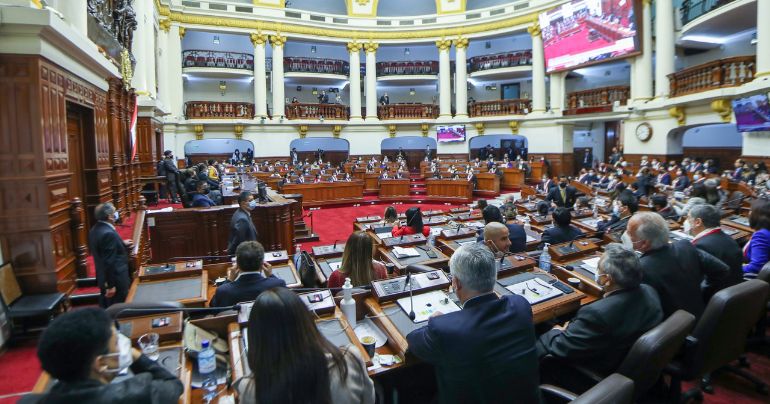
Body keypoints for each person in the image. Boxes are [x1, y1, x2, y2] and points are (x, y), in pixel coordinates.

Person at [406, 243, 541, 404]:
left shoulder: (443, 328)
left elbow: (412, 340)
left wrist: (436, 321)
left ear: (455, 283)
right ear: (494, 275)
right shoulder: (520, 305)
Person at [537, 244, 663, 382]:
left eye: (598, 267)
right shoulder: (649, 290)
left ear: (606, 279)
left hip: (596, 373)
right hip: (625, 358)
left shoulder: (597, 314)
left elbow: (560, 348)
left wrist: (556, 331)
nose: (597, 270)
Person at [235, 288, 374, 404]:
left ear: (257, 339)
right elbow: (369, 400)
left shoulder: (250, 391)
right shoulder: (349, 359)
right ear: (307, 323)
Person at [20, 308, 183, 404]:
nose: (123, 344)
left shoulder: (28, 401)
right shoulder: (138, 395)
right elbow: (174, 384)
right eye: (117, 342)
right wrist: (134, 355)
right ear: (101, 364)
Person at [626, 212, 730, 318]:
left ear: (644, 243)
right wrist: (702, 292)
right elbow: (722, 270)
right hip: (701, 316)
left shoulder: (640, 269)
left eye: (630, 234)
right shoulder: (686, 246)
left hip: (673, 330)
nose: (628, 236)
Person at [211, 241, 285, 307]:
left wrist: (230, 280)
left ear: (237, 264)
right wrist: (271, 276)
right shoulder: (278, 285)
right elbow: (288, 301)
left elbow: (213, 307)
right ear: (262, 263)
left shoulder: (223, 291)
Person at [687, 204, 744, 287]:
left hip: (712, 296)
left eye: (688, 218)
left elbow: (693, 280)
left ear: (698, 222)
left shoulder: (700, 246)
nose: (686, 221)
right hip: (734, 292)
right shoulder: (729, 239)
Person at [744, 198, 770, 276]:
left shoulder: (761, 235)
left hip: (750, 280)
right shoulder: (766, 231)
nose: (749, 213)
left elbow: (756, 267)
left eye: (750, 210)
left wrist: (735, 269)